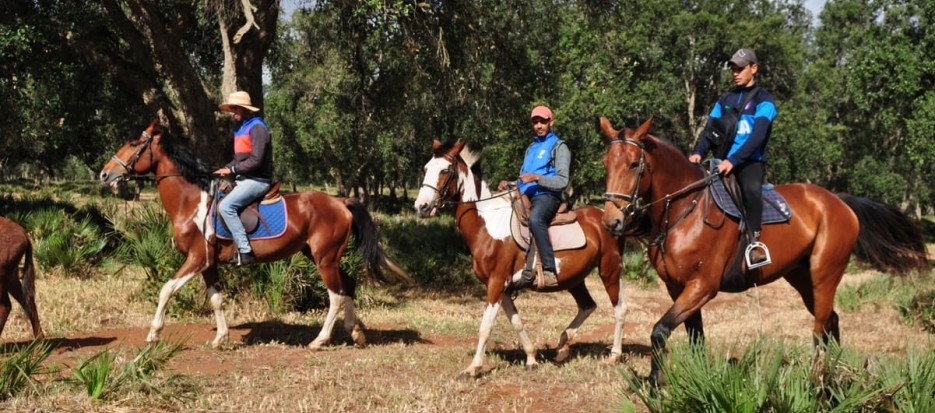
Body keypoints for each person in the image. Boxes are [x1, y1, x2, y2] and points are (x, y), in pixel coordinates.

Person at [689, 48, 777, 266]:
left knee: (750, 191)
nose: (735, 73)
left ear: (753, 68)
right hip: (721, 163)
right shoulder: (725, 99)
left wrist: (734, 160)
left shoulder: (764, 100)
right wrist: (699, 152)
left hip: (749, 163)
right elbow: (711, 130)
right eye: (733, 69)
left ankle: (755, 243)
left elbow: (758, 137)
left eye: (740, 68)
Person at [498, 105, 570, 289]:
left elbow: (562, 181)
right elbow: (525, 178)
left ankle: (549, 270)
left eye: (543, 121)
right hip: (526, 194)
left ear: (550, 122)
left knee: (536, 219)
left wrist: (537, 178)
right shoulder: (531, 148)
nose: (539, 125)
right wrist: (512, 183)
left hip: (547, 196)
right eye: (535, 122)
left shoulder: (559, 147)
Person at [213, 91, 274, 266]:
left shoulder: (257, 127)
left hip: (257, 181)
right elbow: (239, 158)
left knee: (226, 206)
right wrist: (225, 168)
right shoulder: (240, 128)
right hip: (243, 178)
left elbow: (256, 160)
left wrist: (232, 169)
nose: (232, 113)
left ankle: (246, 251)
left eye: (235, 109)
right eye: (231, 109)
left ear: (244, 109)